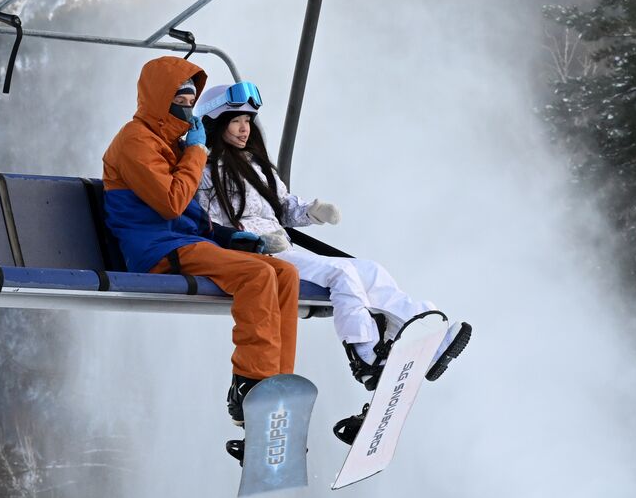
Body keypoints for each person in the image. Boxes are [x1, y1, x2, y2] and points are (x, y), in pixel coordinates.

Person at [194, 80, 471, 441]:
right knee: (340, 273)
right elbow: (206, 220)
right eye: (236, 121)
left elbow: (283, 207)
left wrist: (312, 211)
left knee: (370, 269)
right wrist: (255, 241)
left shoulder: (257, 167)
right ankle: (368, 356)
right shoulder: (202, 168)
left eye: (249, 120)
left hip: (283, 250)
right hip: (253, 255)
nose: (245, 128)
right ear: (216, 123)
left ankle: (422, 335)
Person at [101, 57, 301, 427]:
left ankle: (276, 382)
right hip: (157, 250)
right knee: (256, 277)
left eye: (193, 100)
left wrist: (227, 235)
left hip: (187, 241)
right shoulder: (134, 142)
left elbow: (190, 214)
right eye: (182, 98)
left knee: (284, 274)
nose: (189, 106)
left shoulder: (172, 143)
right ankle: (249, 385)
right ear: (162, 98)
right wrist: (196, 151)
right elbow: (171, 201)